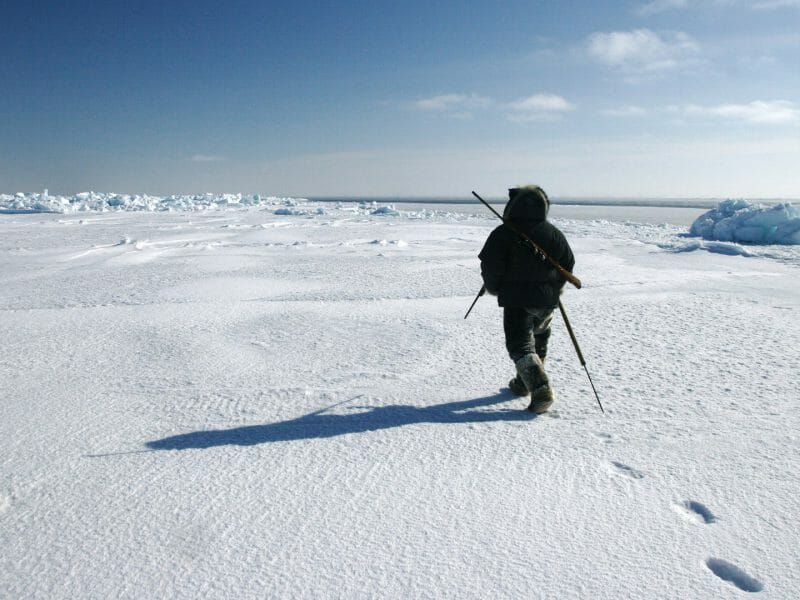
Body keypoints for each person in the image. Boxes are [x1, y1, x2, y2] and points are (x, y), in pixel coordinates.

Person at [478, 185, 575, 413]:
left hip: (517, 301)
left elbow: (490, 266)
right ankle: (524, 383)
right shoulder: (553, 232)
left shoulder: (503, 233)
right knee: (538, 338)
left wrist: (494, 287)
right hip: (547, 301)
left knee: (520, 345)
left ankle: (540, 390)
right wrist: (553, 289)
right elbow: (567, 264)